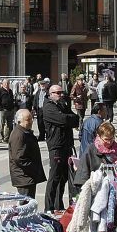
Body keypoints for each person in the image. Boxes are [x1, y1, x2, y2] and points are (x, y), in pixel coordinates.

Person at [42, 84, 80, 212]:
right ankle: (49, 206)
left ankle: (59, 204)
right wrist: (68, 119)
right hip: (56, 146)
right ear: (51, 94)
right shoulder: (48, 107)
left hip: (66, 145)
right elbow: (63, 120)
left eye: (61, 92)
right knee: (54, 177)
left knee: (63, 177)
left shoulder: (62, 104)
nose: (61, 95)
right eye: (58, 93)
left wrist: (69, 119)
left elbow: (75, 119)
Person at [74, 121, 117, 186]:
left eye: (111, 139)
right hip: (95, 187)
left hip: (114, 186)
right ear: (99, 137)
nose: (109, 142)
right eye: (106, 139)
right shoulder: (91, 150)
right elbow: (83, 172)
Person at [7, 109, 45, 198]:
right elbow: (19, 158)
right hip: (24, 176)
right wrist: (33, 168)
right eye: (28, 120)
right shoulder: (19, 135)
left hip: (27, 176)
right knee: (25, 203)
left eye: (31, 119)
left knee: (29, 202)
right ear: (19, 121)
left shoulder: (24, 132)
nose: (31, 122)